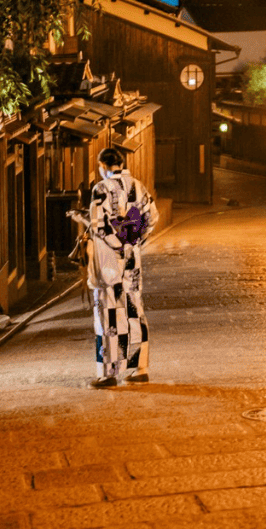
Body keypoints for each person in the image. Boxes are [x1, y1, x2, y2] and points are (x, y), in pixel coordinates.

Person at [79, 146, 159, 389]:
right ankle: (140, 368)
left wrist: (114, 243)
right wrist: (134, 241)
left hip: (108, 261)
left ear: (104, 166)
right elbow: (152, 216)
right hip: (132, 259)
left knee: (109, 313)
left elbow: (99, 225)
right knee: (134, 310)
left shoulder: (100, 189)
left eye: (100, 166)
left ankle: (109, 372)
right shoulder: (137, 185)